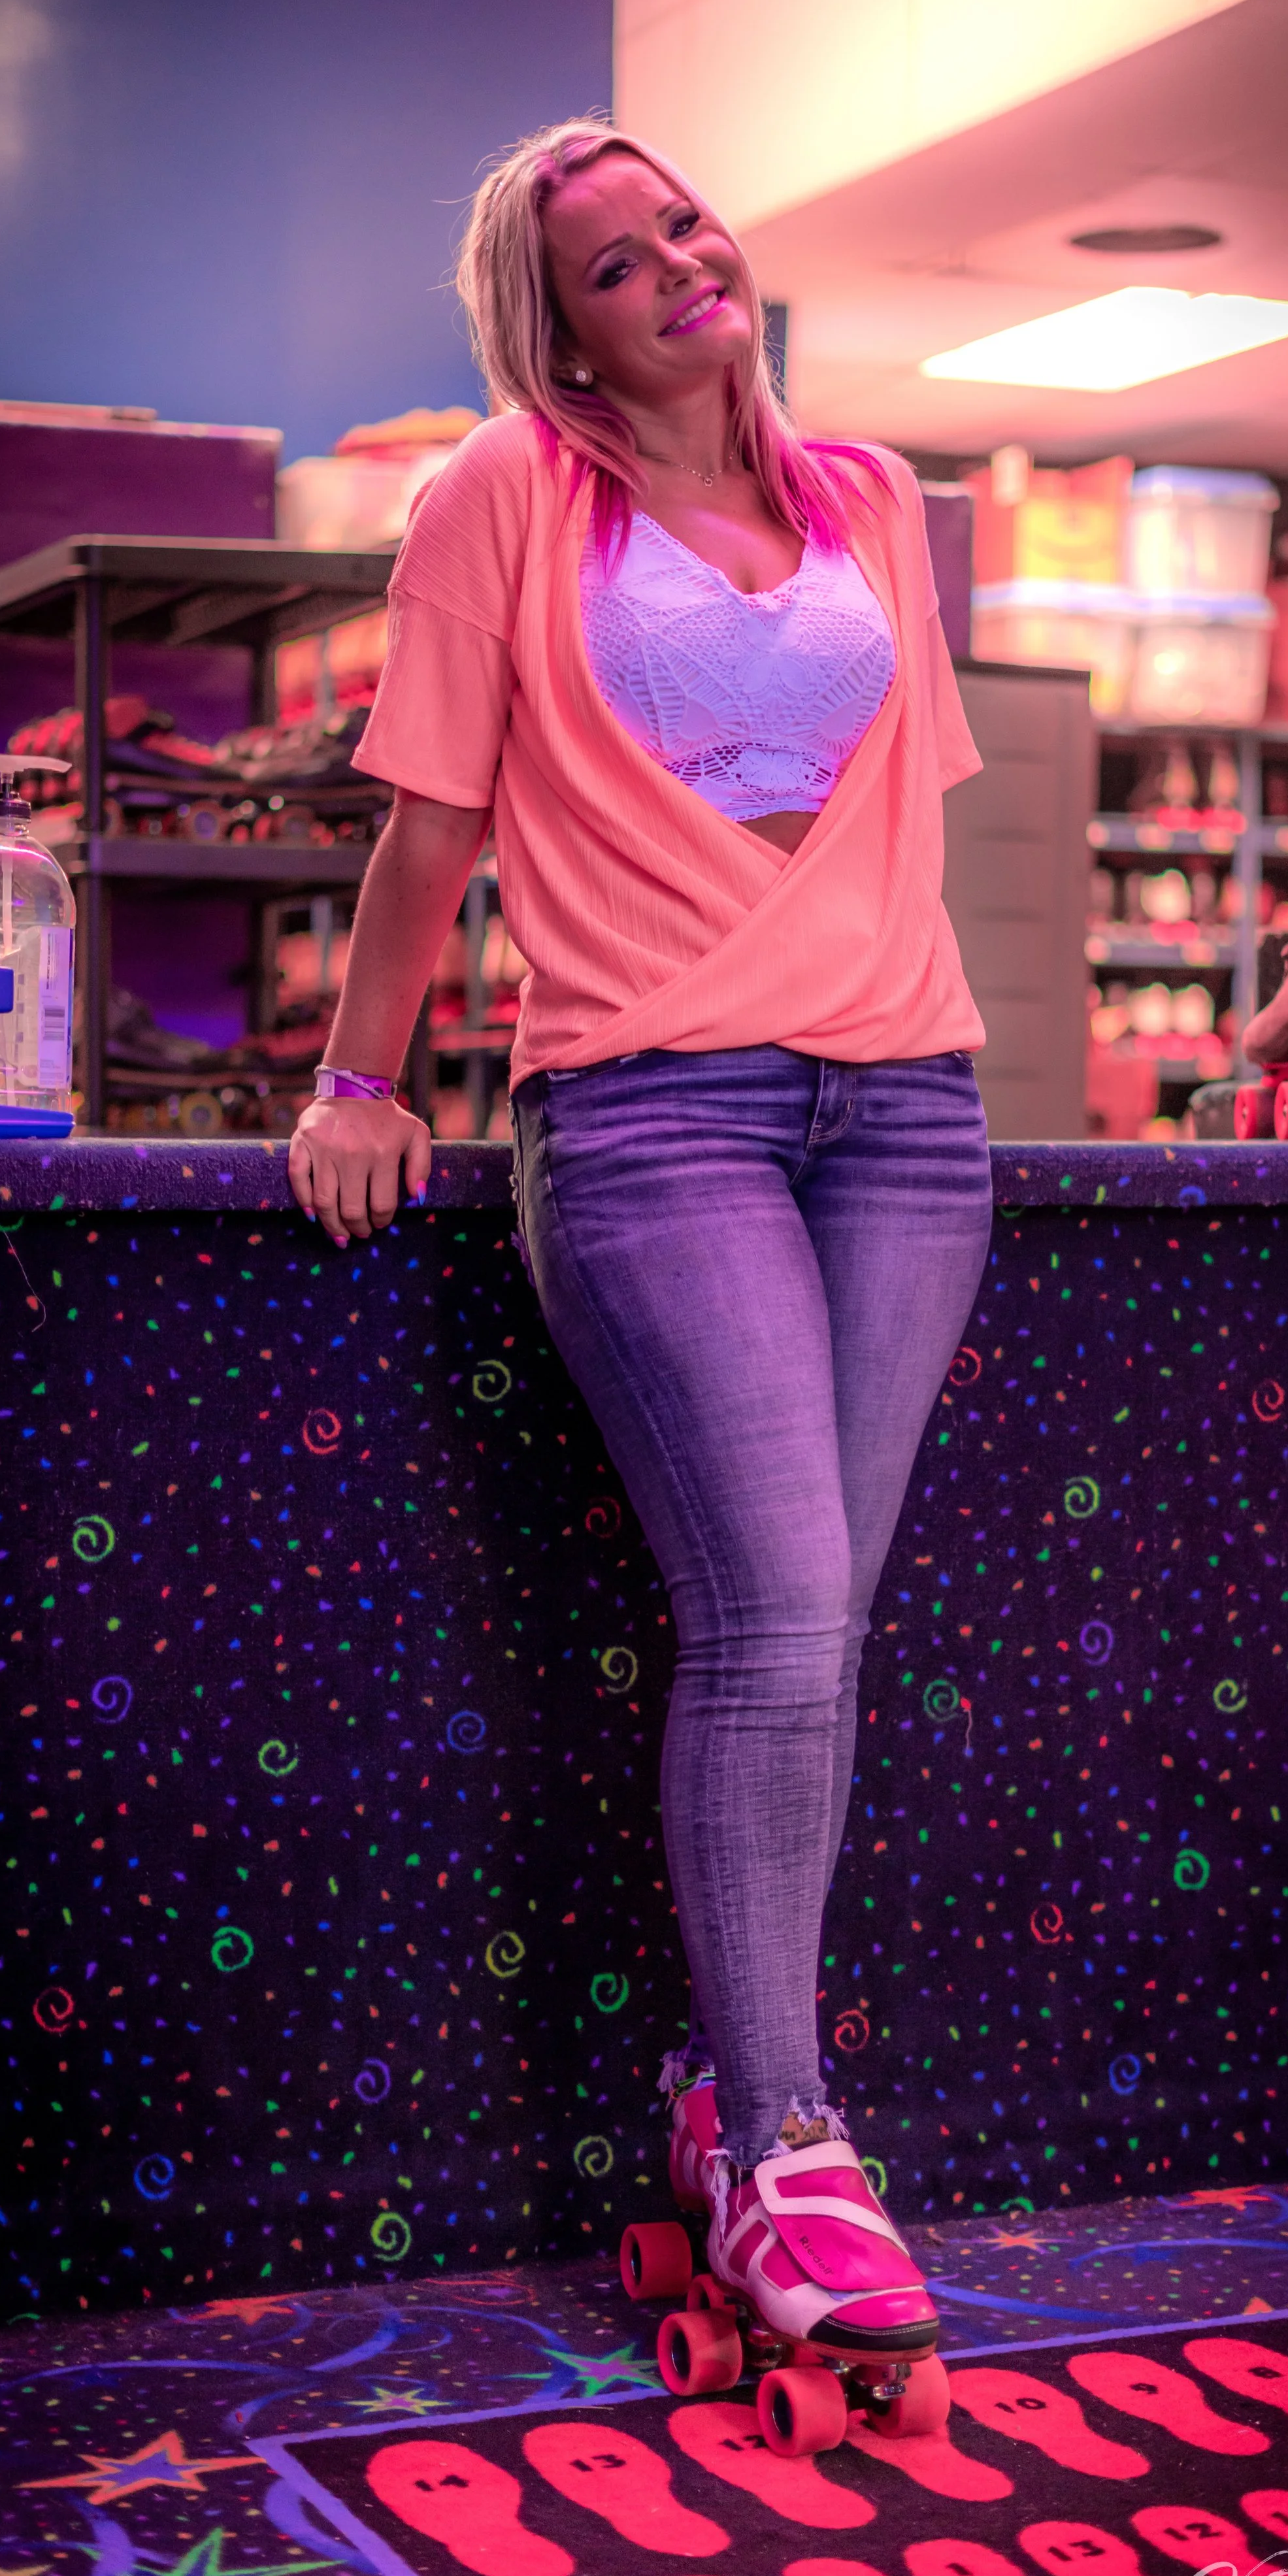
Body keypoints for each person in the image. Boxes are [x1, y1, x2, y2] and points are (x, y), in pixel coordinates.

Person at [288, 118, 994, 2375]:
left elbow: (895, 817)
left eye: (681, 223)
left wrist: (911, 1035)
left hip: (906, 1109)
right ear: (560, 336)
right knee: (778, 1619)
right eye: (614, 265)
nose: (678, 263)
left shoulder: (872, 497)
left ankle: (720, 2099)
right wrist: (364, 1080)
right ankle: (790, 2138)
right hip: (655, 1101)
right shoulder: (501, 495)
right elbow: (432, 825)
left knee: (821, 1630)